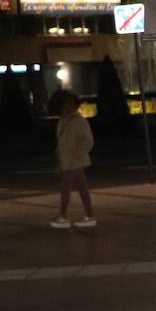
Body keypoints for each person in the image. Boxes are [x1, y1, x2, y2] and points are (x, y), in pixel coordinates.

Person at [49, 91, 96, 229]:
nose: (68, 107)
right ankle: (89, 216)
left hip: (74, 161)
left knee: (66, 188)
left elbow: (88, 141)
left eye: (70, 104)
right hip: (70, 161)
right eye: (65, 104)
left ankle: (63, 216)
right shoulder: (63, 120)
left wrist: (77, 154)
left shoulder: (79, 121)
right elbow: (63, 141)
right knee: (82, 188)